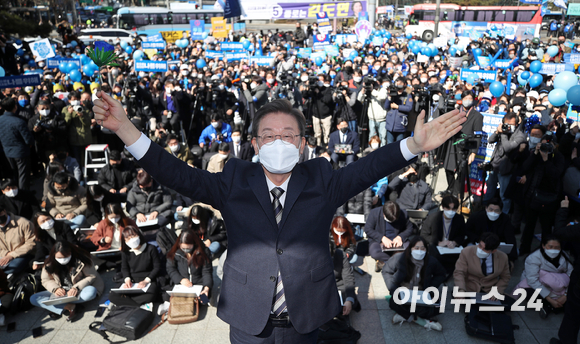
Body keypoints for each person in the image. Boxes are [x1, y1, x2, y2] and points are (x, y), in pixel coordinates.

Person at [93, 89, 465, 342]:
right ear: (254, 144)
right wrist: (126, 129)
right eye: (268, 135)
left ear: (303, 144)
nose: (278, 142)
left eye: (289, 135)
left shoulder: (321, 179)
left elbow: (366, 170)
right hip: (248, 320)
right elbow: (177, 174)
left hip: (304, 319)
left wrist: (414, 145)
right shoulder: (233, 180)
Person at [382, 236, 446, 331]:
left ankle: (404, 316)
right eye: (416, 248)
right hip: (404, 292)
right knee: (393, 303)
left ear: (426, 249)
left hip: (421, 292)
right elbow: (386, 270)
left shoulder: (431, 261)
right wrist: (392, 287)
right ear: (410, 248)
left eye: (422, 248)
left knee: (439, 307)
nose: (419, 251)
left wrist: (431, 286)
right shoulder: (400, 258)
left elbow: (441, 274)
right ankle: (420, 320)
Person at [30, 241, 104, 321]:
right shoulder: (49, 263)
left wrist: (76, 288)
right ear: (53, 255)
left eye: (65, 257)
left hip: (80, 289)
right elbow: (45, 280)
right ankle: (71, 306)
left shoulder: (82, 259)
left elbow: (91, 276)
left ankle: (58, 306)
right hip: (61, 292)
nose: (62, 260)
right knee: (34, 298)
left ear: (70, 253)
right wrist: (56, 289)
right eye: (59, 258)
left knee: (91, 292)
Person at [519, 134, 565, 255]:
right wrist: (535, 154)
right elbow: (525, 167)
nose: (545, 147)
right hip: (532, 196)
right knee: (529, 225)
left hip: (549, 198)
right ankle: (524, 250)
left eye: (548, 145)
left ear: (554, 145)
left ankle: (545, 252)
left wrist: (546, 160)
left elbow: (555, 174)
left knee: (546, 227)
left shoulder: (558, 157)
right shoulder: (536, 154)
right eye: (543, 144)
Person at [513, 236, 572, 319]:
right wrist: (549, 299)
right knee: (528, 293)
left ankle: (550, 307)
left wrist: (565, 295)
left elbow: (571, 275)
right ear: (543, 246)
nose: (553, 250)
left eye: (557, 247)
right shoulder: (533, 257)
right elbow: (532, 280)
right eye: (550, 247)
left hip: (559, 286)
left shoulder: (564, 257)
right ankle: (551, 305)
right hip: (539, 285)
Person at [160, 230, 213, 314]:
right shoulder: (174, 253)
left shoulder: (204, 252)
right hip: (181, 283)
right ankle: (171, 305)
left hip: (198, 283)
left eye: (188, 248)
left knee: (204, 299)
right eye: (183, 248)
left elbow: (207, 271)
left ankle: (200, 302)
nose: (185, 250)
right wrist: (181, 280)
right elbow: (170, 268)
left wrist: (206, 288)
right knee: (166, 295)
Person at [483, 112, 526, 214]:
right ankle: (485, 211)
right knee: (489, 192)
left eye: (511, 124)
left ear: (516, 124)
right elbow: (490, 140)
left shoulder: (520, 136)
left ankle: (504, 216)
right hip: (494, 167)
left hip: (506, 170)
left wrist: (503, 134)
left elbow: (507, 148)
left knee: (504, 196)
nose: (509, 126)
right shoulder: (502, 131)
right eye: (507, 123)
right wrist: (497, 132)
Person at [108, 226, 160, 308]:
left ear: (139, 235)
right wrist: (127, 279)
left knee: (151, 294)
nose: (131, 240)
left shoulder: (151, 249)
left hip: (148, 279)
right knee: (112, 295)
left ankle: (125, 303)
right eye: (127, 238)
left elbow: (157, 267)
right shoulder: (125, 252)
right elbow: (124, 268)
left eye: (133, 236)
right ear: (124, 241)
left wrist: (146, 281)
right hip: (132, 279)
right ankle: (136, 305)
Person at [454, 232, 511, 301]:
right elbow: (459, 272)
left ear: (493, 251)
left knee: (509, 304)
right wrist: (461, 289)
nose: (481, 250)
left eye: (485, 249)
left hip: (489, 290)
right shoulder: (466, 252)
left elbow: (505, 277)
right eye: (480, 246)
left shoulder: (503, 257)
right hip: (471, 288)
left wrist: (497, 291)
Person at [420, 195, 465, 277]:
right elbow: (424, 234)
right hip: (437, 246)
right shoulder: (433, 217)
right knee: (435, 253)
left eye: (454, 209)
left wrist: (455, 242)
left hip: (451, 247)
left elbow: (462, 235)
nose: (451, 211)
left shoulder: (459, 219)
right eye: (448, 208)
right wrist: (438, 242)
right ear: (443, 207)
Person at [364, 201, 414, 272]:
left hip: (397, 241)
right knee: (374, 252)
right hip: (379, 241)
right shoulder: (374, 213)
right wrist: (382, 238)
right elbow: (368, 229)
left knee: (411, 249)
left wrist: (400, 237)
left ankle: (385, 262)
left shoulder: (403, 214)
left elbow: (410, 228)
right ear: (384, 214)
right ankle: (397, 261)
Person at [0, 97, 34, 190]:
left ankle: (15, 193)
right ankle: (24, 195)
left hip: (7, 152)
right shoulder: (19, 121)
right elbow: (28, 140)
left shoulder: (1, 120)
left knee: (13, 174)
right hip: (21, 152)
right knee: (23, 176)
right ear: (15, 107)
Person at [0, 204, 35, 276]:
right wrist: (6, 254)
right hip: (3, 255)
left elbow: (31, 243)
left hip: (22, 254)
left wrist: (12, 255)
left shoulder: (23, 223)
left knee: (10, 270)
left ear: (4, 211)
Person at [384, 77, 413, 144]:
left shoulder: (407, 95)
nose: (398, 84)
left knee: (399, 145)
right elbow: (386, 106)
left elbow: (409, 108)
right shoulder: (392, 93)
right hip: (390, 124)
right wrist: (389, 97)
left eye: (400, 83)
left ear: (405, 84)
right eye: (397, 82)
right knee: (389, 144)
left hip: (400, 125)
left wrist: (397, 107)